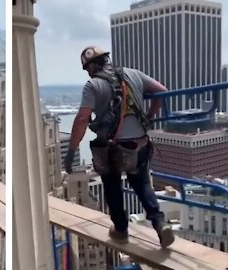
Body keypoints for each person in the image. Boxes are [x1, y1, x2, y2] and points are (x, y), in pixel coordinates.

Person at [64, 46, 175, 248]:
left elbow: (82, 119)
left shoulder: (92, 85)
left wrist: (71, 152)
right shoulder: (133, 73)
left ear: (91, 67)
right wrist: (149, 116)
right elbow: (162, 91)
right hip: (139, 143)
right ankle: (159, 222)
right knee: (142, 183)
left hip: (113, 146)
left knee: (112, 184)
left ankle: (121, 230)